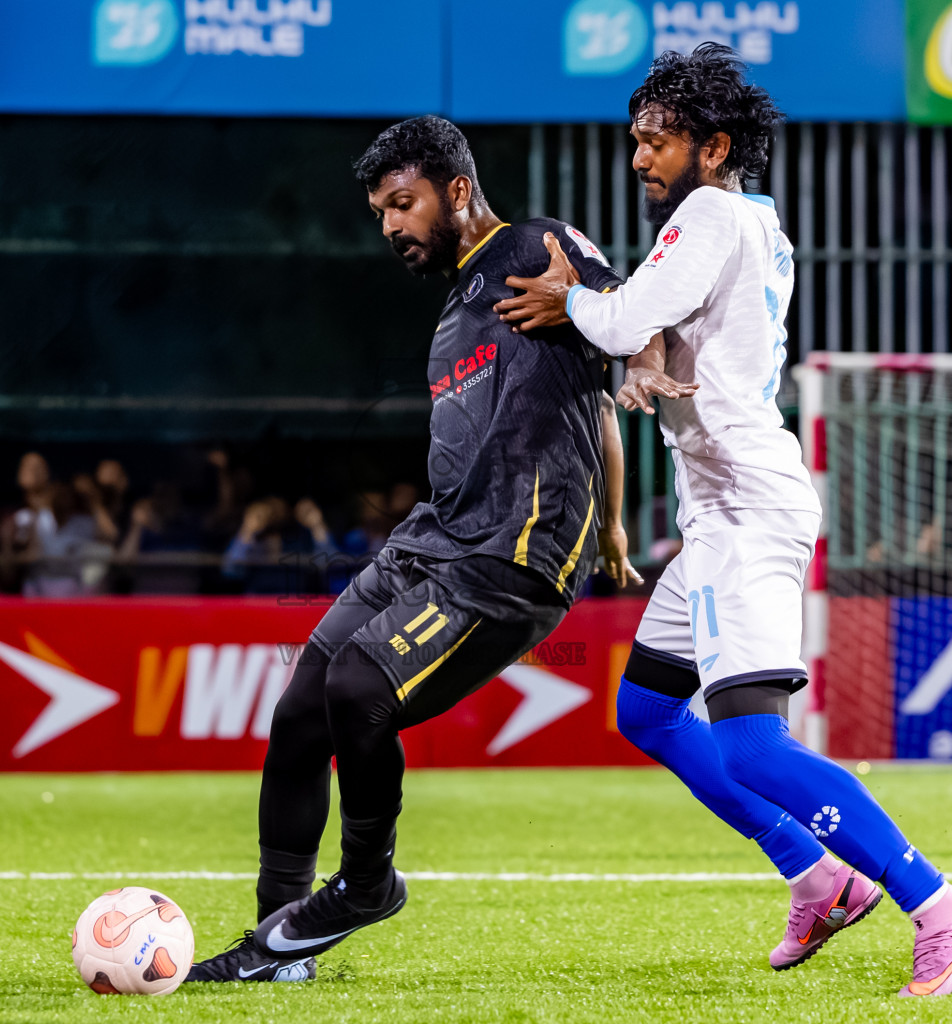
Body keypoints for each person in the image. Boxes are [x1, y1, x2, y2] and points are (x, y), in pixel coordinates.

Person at [494, 44, 952, 998]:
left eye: (658, 141)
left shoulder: (710, 211)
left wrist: (574, 298)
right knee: (646, 710)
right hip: (718, 507)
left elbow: (624, 315)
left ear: (714, 145)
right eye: (635, 140)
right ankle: (817, 874)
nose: (640, 158)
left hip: (746, 508)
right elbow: (658, 322)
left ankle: (940, 908)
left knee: (751, 743)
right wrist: (640, 345)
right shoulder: (749, 220)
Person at [187, 115, 642, 984]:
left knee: (362, 689)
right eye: (380, 213)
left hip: (515, 552)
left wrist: (643, 363)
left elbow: (627, 322)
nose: (392, 226)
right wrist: (619, 523)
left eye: (404, 204)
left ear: (458, 191)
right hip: (434, 540)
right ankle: (284, 941)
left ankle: (366, 885)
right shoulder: (454, 315)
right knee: (297, 716)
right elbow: (589, 406)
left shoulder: (537, 247)